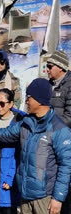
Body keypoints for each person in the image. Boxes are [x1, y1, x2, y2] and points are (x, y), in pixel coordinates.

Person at [0, 78, 71, 214]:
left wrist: (58, 197)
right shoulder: (25, 123)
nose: (26, 101)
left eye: (29, 97)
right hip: (25, 195)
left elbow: (66, 165)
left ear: (39, 100)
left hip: (45, 198)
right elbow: (4, 134)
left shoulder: (59, 129)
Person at [47, 51, 71, 214]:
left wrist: (50, 128)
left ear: (60, 67)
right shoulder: (49, 84)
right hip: (49, 139)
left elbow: (69, 116)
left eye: (49, 66)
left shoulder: (69, 85)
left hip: (64, 140)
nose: (46, 69)